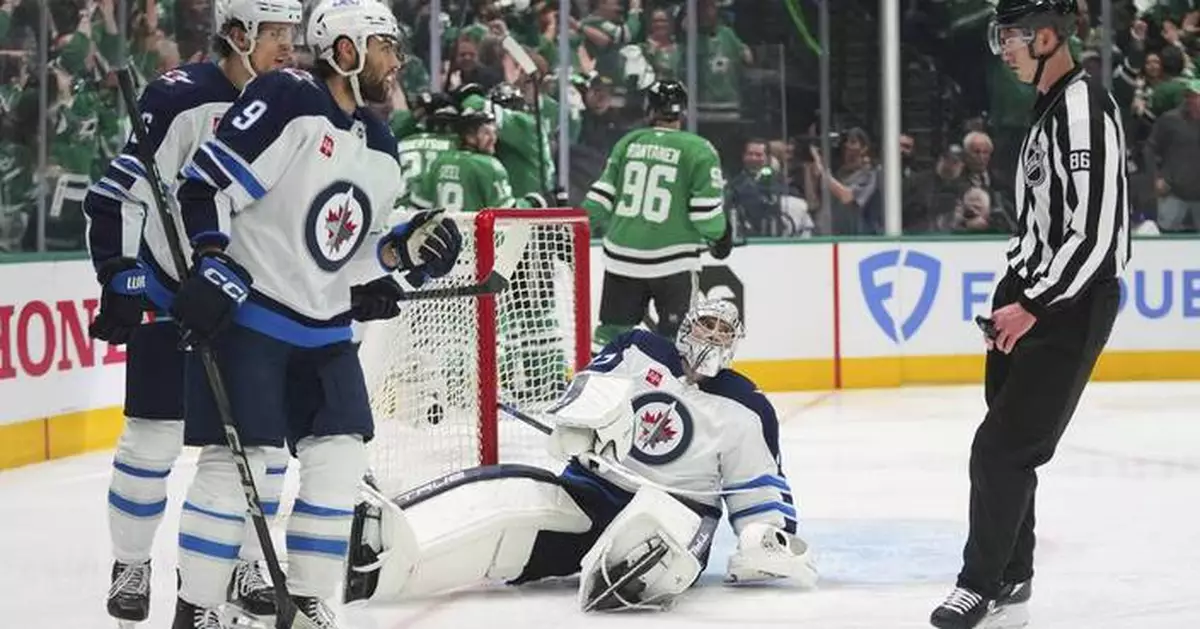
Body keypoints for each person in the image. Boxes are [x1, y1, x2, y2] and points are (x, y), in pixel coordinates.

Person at [166, 0, 463, 626]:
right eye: (384, 45)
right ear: (347, 50)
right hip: (254, 318)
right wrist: (212, 257)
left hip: (325, 330)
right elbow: (203, 185)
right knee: (241, 466)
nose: (397, 60)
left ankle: (302, 600)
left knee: (339, 460)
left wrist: (400, 253)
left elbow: (346, 255)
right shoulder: (288, 99)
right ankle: (196, 609)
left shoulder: (382, 145)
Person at [341, 299, 818, 611]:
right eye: (705, 324)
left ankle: (623, 581)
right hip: (596, 489)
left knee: (647, 539)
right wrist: (581, 425)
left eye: (723, 330)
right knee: (514, 495)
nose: (711, 337)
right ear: (686, 324)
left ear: (735, 342)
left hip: (678, 513)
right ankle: (386, 549)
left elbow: (756, 488)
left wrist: (762, 536)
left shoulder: (748, 408)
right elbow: (588, 391)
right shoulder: (638, 350)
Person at [80, 0, 303, 623]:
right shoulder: (181, 97)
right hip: (173, 293)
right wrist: (121, 274)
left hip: (256, 302)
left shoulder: (298, 104)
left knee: (262, 448)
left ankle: (234, 564)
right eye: (274, 33)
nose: (288, 46)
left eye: (293, 33)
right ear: (235, 36)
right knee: (152, 441)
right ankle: (131, 562)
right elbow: (118, 194)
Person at [930, 1, 1130, 628]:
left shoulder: (1083, 109)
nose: (1003, 49)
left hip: (1064, 305)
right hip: (1029, 295)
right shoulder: (1046, 109)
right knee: (1009, 445)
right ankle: (1014, 571)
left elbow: (1095, 236)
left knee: (1000, 449)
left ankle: (979, 582)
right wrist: (1014, 291)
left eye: (1011, 38)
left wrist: (1035, 305)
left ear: (1047, 38)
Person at [581, 80, 731, 352]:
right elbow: (704, 216)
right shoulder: (699, 149)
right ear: (682, 112)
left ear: (649, 109)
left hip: (622, 259)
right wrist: (721, 236)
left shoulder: (628, 142)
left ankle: (596, 391)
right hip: (673, 263)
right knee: (677, 341)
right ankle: (666, 394)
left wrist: (573, 231)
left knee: (609, 338)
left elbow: (599, 202)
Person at [408, 106, 550, 213]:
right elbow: (507, 213)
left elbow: (418, 207)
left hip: (444, 244)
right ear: (469, 137)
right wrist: (533, 202)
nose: (493, 138)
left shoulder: (439, 161)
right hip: (476, 243)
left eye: (494, 132)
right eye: (486, 133)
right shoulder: (489, 166)